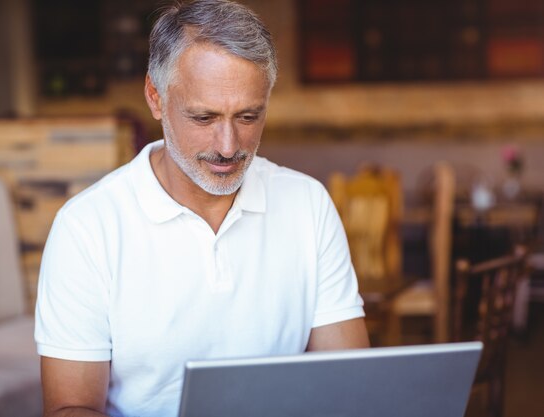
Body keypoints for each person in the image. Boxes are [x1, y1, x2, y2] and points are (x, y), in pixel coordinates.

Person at [34, 1, 370, 416]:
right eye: (203, 117)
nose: (228, 146)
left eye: (248, 116)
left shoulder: (308, 205)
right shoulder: (87, 227)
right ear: (155, 99)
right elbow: (70, 408)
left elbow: (352, 387)